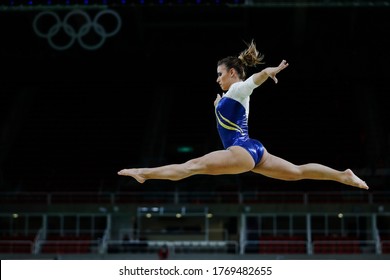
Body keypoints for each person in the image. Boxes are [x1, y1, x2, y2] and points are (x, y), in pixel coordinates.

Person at [118, 40, 369, 190]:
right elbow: (229, 111)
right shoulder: (229, 97)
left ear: (232, 73)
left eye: (220, 73)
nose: (217, 78)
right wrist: (218, 104)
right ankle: (342, 175)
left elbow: (252, 82)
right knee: (297, 172)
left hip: (240, 151)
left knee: (191, 166)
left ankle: (143, 172)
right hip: (254, 149)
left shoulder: (238, 87)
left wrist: (268, 71)